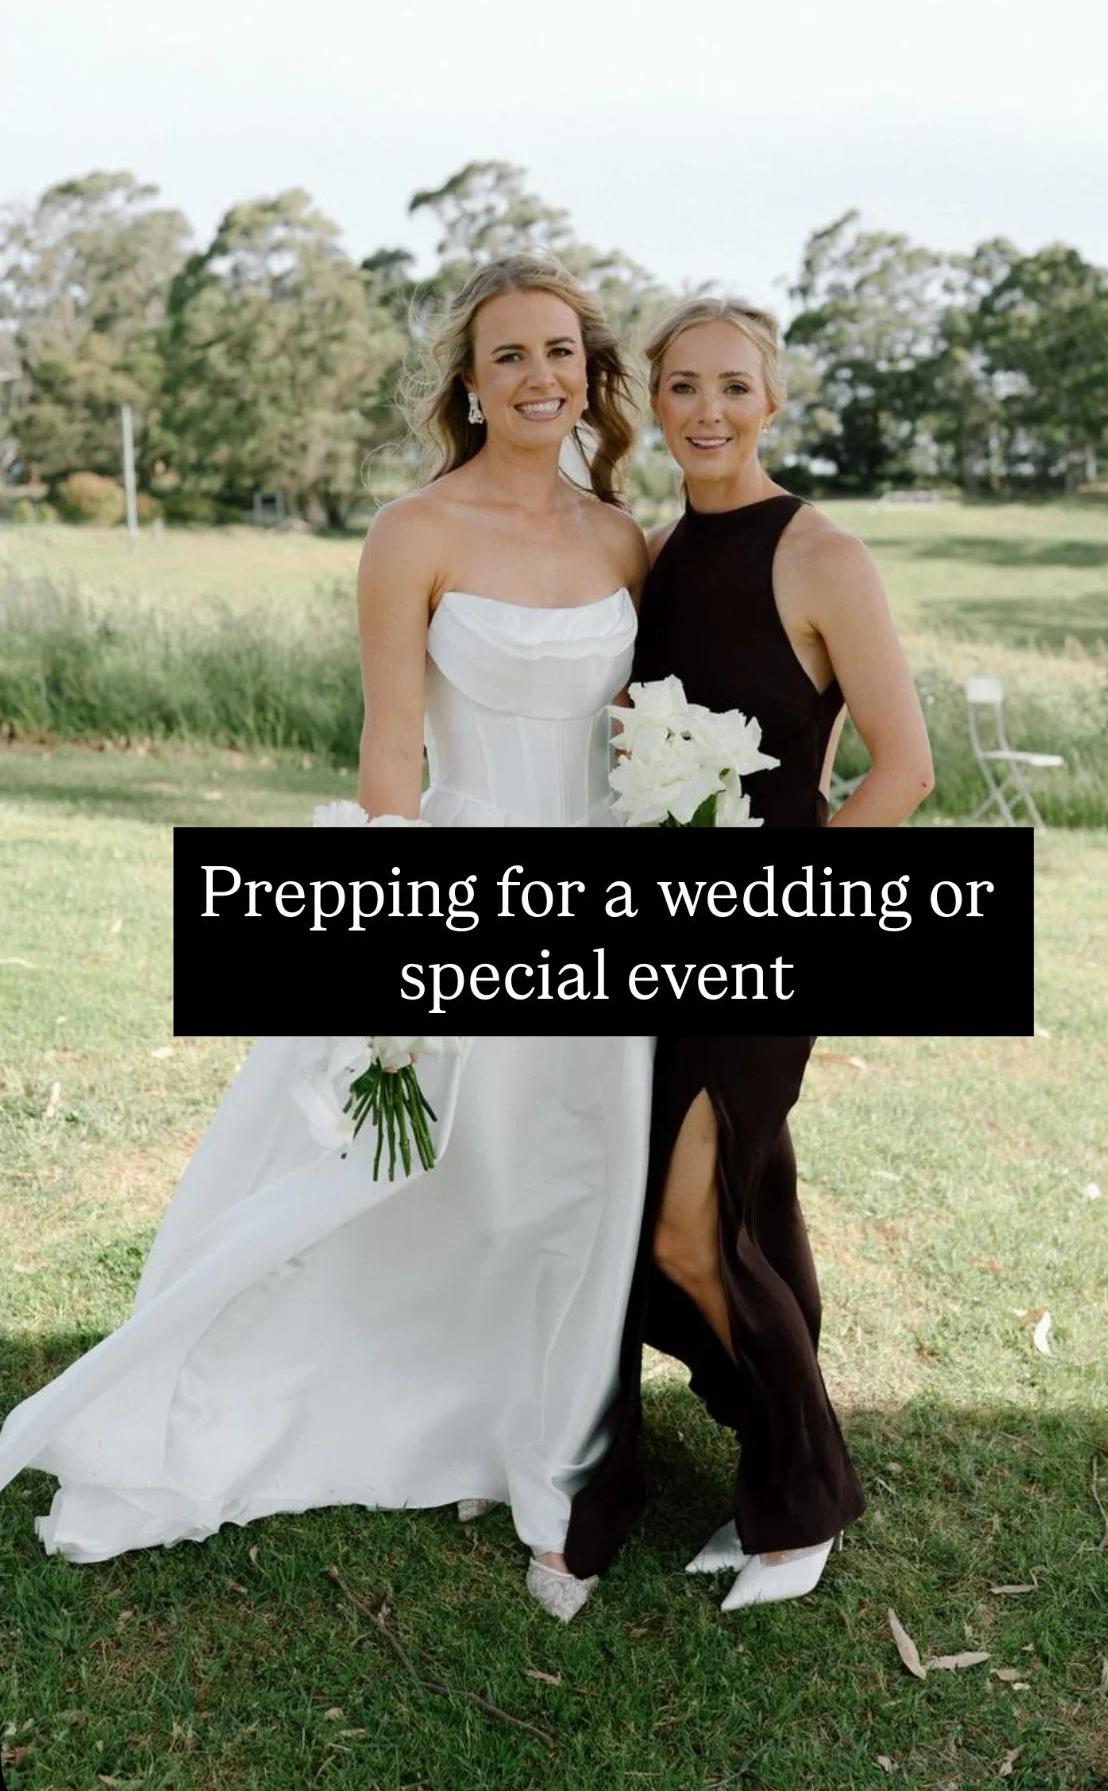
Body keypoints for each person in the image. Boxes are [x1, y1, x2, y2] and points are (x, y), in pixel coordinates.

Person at [0, 255, 653, 1623]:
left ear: (591, 375)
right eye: (508, 355)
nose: (538, 377)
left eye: (560, 352)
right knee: (387, 1166)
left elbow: (635, 734)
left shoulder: (620, 539)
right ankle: (298, 1398)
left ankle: (538, 1450)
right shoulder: (414, 531)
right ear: (467, 386)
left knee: (570, 1181)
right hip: (458, 878)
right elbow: (389, 746)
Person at [565, 296, 935, 1611]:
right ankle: (769, 1449)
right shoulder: (657, 552)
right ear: (651, 400)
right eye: (681, 385)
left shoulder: (822, 554)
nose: (706, 410)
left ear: (771, 402)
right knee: (725, 1208)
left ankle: (804, 1491)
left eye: (732, 386)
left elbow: (903, 769)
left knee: (685, 1230)